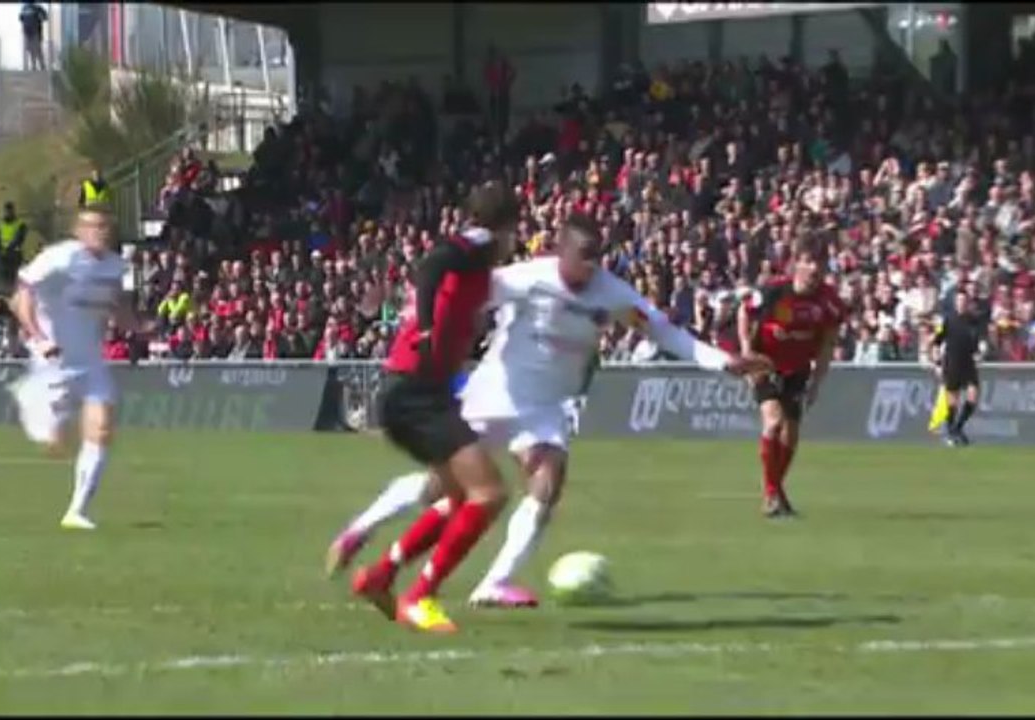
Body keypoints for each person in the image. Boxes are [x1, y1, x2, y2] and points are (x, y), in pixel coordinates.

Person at [325, 214, 770, 609]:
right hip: (496, 393)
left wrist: (723, 362)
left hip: (546, 406)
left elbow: (665, 332)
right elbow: (462, 294)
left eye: (597, 256)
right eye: (583, 255)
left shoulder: (613, 294)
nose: (590, 265)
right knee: (444, 487)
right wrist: (418, 323)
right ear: (561, 251)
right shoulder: (525, 278)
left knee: (548, 481)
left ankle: (494, 582)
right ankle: (361, 530)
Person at [340, 182, 520, 634]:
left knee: (457, 496)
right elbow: (433, 264)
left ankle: (380, 575)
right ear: (505, 228)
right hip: (416, 390)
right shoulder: (480, 243)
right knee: (489, 493)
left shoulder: (483, 266)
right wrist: (424, 327)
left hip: (421, 390)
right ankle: (420, 596)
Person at [6, 206, 149, 530]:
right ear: (78, 231)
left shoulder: (115, 267)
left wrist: (140, 332)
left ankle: (77, 510)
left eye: (104, 226)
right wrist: (39, 338)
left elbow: (119, 309)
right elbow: (20, 300)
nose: (99, 232)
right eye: (91, 226)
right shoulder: (58, 259)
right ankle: (40, 415)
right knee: (57, 441)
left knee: (102, 428)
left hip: (91, 362)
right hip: (53, 362)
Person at [737, 236, 848, 518]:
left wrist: (817, 383)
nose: (814, 268)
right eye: (808, 261)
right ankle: (771, 493)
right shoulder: (773, 292)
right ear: (796, 263)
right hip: (765, 364)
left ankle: (775, 491)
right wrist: (747, 351)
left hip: (797, 369)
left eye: (820, 262)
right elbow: (744, 312)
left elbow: (827, 345)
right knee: (774, 422)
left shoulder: (830, 302)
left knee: (791, 434)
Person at [931, 291, 987, 446]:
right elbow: (936, 342)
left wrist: (980, 352)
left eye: (964, 300)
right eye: (959, 300)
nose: (961, 303)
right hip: (952, 362)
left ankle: (958, 428)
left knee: (973, 395)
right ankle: (951, 431)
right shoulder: (948, 320)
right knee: (952, 401)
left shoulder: (974, 320)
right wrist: (937, 363)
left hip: (968, 363)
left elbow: (979, 340)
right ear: (955, 303)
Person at [0, 202, 28, 287]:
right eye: (6, 211)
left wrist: (10, 247)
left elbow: (20, 238)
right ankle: (7, 289)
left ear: (13, 211)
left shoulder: (20, 224)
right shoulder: (1, 223)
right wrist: (0, 248)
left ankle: (15, 289)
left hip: (15, 254)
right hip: (4, 254)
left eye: (9, 211)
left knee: (16, 274)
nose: (7, 213)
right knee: (5, 275)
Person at [19, 1, 48, 71]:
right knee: (36, 49)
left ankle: (34, 66)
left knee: (32, 49)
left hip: (28, 31)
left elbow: (21, 18)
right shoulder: (37, 8)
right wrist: (40, 18)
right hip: (34, 31)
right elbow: (45, 17)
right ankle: (39, 65)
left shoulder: (24, 8)